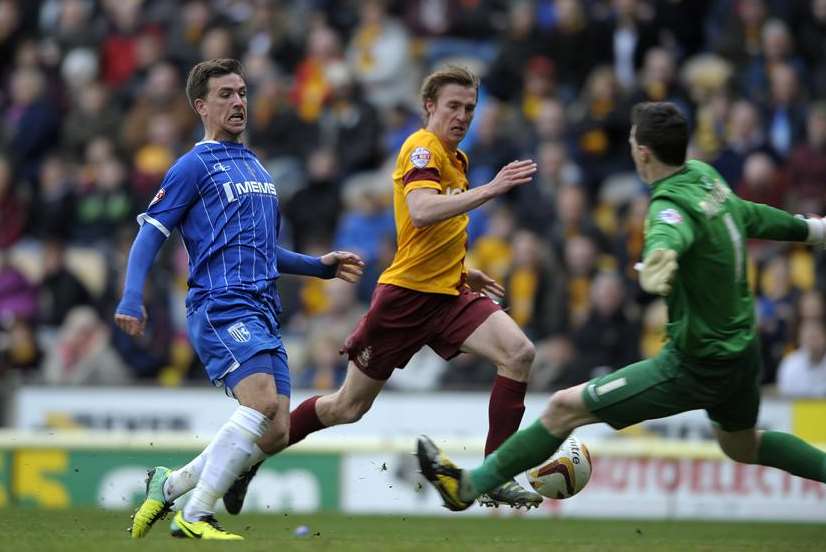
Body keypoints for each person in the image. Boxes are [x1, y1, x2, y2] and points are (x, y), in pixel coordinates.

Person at [416, 101, 826, 511]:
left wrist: (658, 260)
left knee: (562, 408)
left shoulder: (666, 207)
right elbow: (748, 214)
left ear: (642, 152)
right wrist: (812, 230)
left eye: (632, 141)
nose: (630, 146)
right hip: (742, 351)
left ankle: (467, 486)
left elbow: (670, 234)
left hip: (696, 364)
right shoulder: (706, 178)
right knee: (742, 443)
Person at [223, 64, 544, 513]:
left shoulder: (457, 159)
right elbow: (422, 210)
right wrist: (491, 190)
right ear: (429, 106)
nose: (463, 116)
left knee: (520, 354)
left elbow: (431, 232)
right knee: (347, 407)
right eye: (453, 105)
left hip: (449, 294)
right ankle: (245, 462)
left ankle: (494, 474)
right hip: (406, 300)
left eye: (470, 108)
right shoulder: (420, 148)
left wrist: (463, 270)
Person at [116, 58, 364, 540]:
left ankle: (170, 485)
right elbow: (150, 235)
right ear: (201, 106)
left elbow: (262, 250)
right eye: (226, 94)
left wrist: (319, 266)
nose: (238, 102)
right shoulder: (192, 166)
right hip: (220, 303)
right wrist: (131, 296)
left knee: (276, 431)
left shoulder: (255, 166)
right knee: (261, 401)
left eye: (243, 92)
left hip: (263, 308)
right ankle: (196, 514)